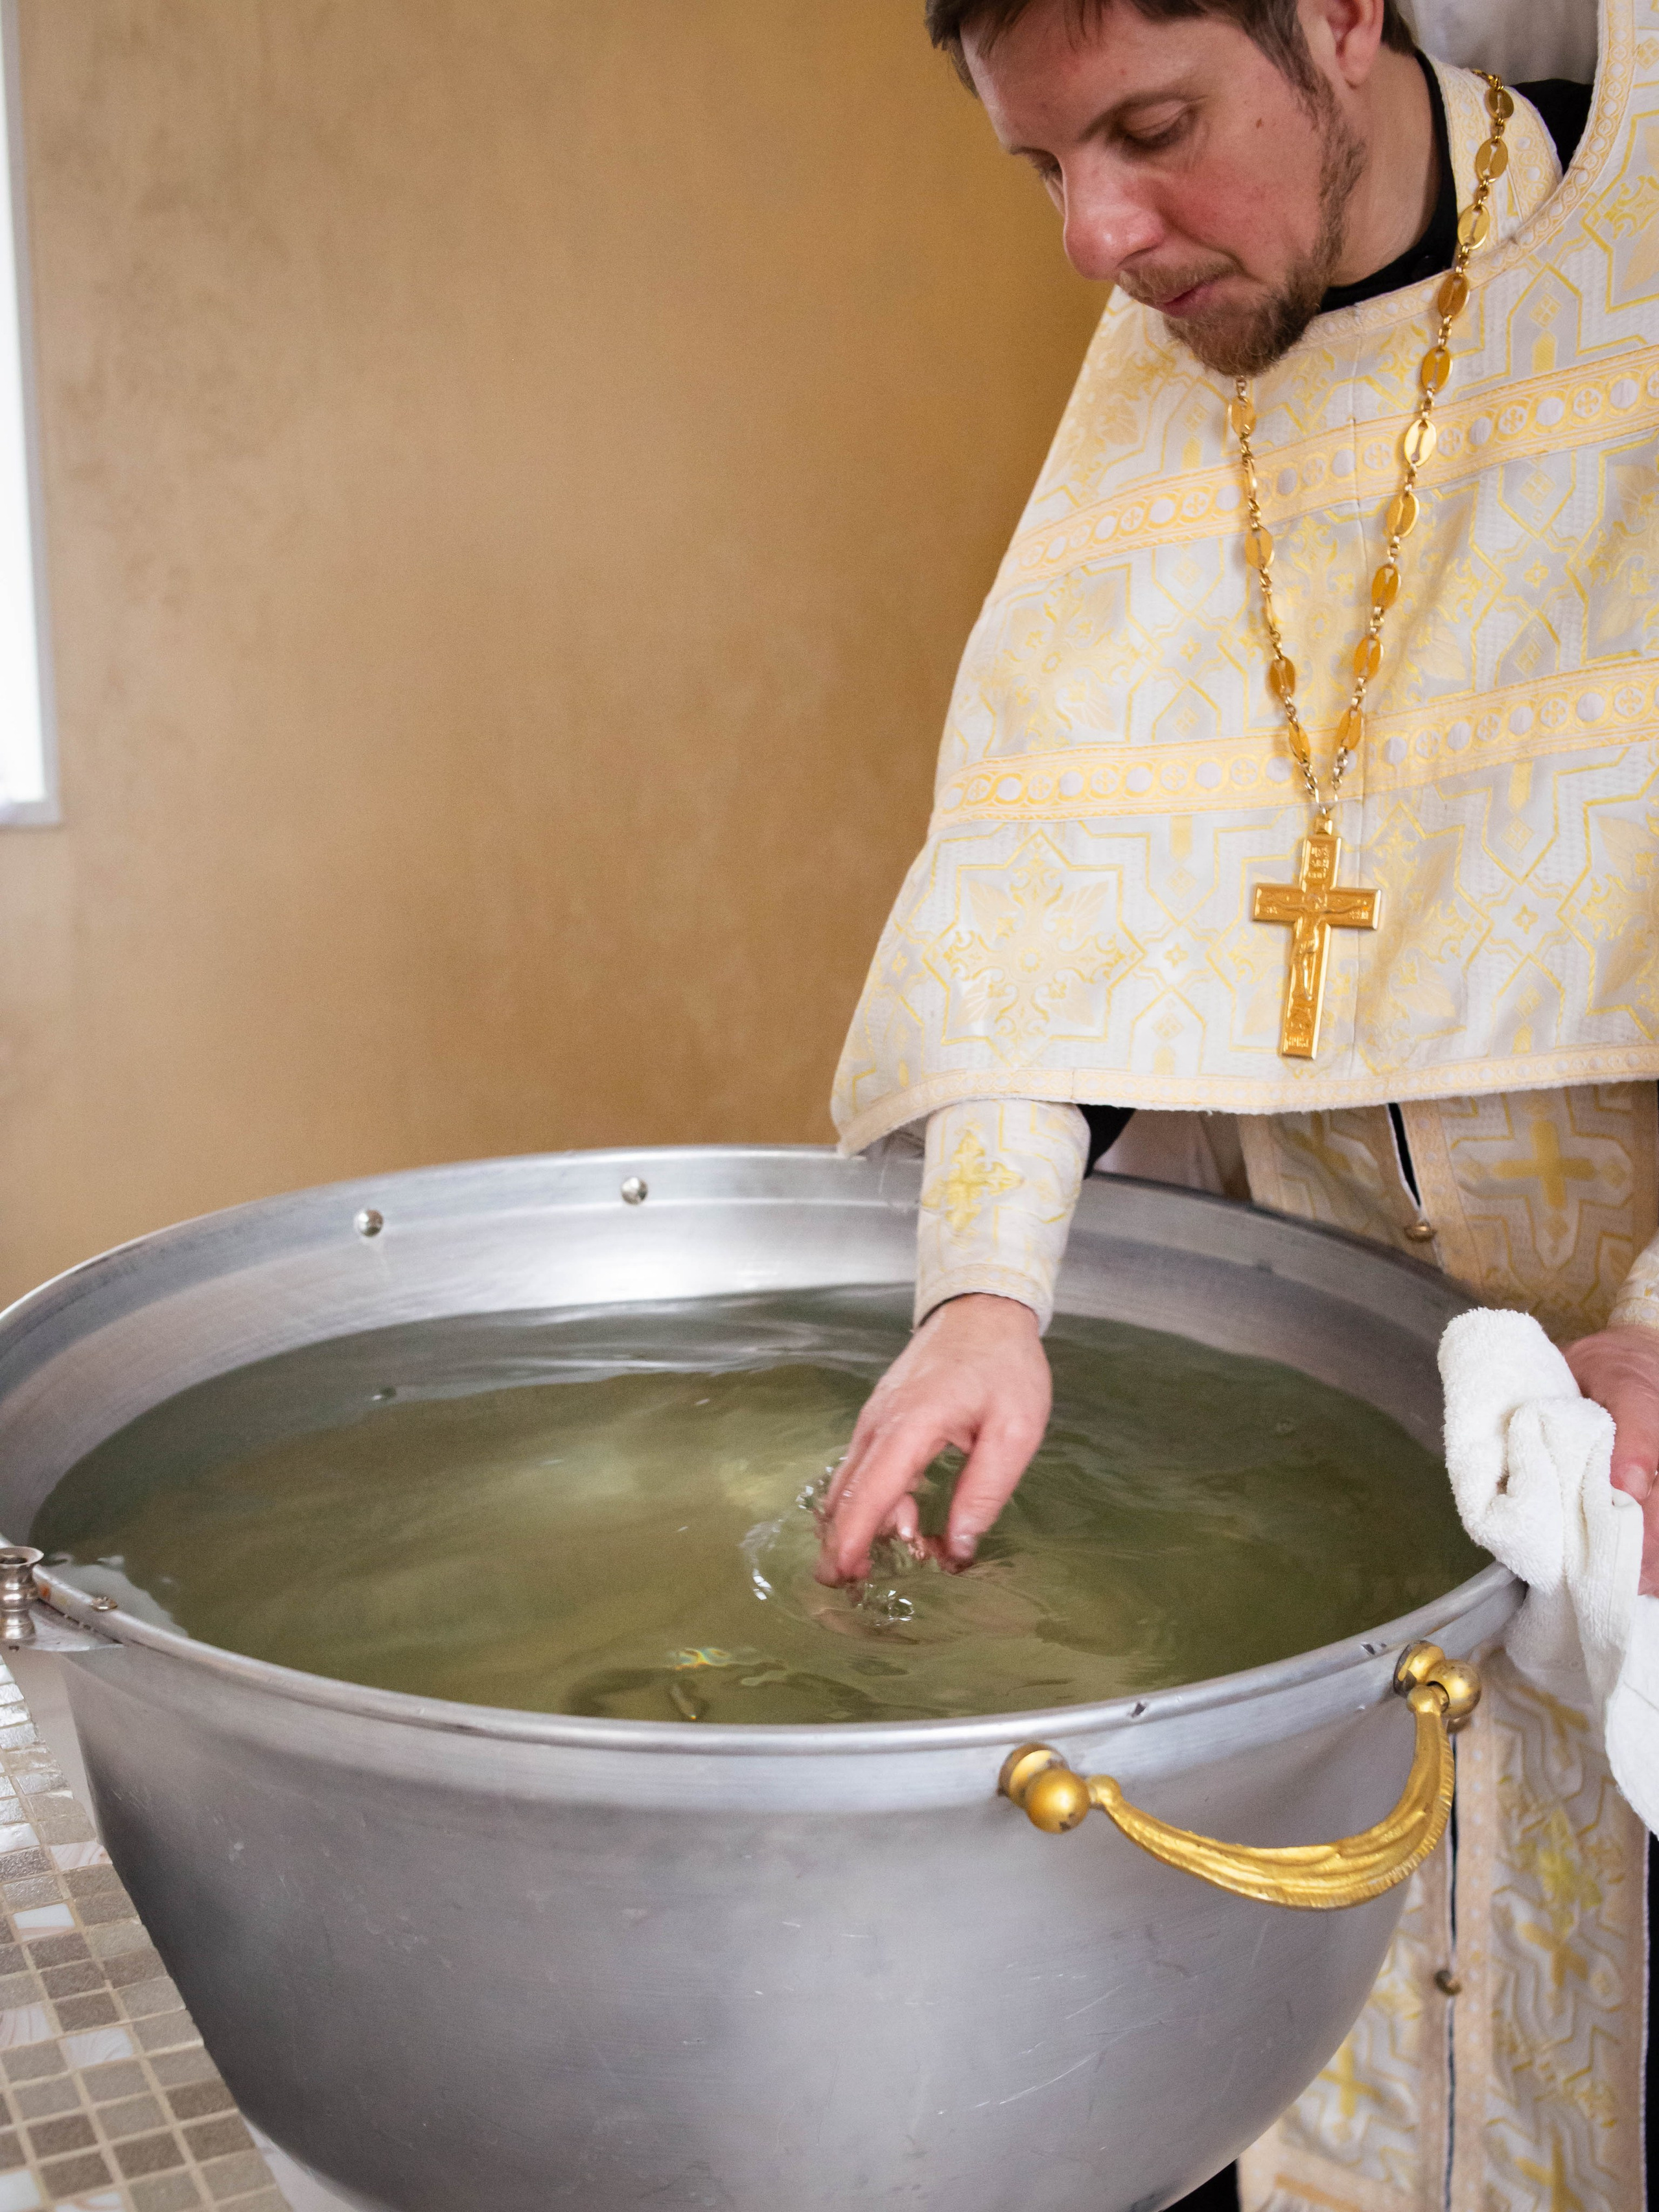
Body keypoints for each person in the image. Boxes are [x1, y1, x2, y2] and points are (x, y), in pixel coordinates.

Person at [822, 3, 1653, 2207]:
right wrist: (986, 1291)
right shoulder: (1163, 373)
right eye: (1045, 169)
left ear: (1347, 21)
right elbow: (1047, 874)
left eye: (1156, 129)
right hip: (1343, 1468)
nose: (1101, 232)